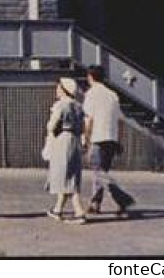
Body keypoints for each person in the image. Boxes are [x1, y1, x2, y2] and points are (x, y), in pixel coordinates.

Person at [83, 65, 135, 216]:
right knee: (101, 171)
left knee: (98, 171)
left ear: (90, 77)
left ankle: (122, 198)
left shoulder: (91, 94)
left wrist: (86, 138)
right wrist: (119, 139)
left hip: (98, 137)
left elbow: (89, 119)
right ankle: (95, 203)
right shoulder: (113, 95)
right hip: (111, 137)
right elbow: (120, 120)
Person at [45, 77, 87, 224]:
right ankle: (57, 209)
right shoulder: (78, 106)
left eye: (58, 87)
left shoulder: (60, 105)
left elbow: (51, 126)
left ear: (64, 89)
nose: (56, 89)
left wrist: (50, 125)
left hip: (62, 140)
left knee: (65, 175)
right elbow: (83, 126)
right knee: (70, 173)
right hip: (75, 140)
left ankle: (79, 212)